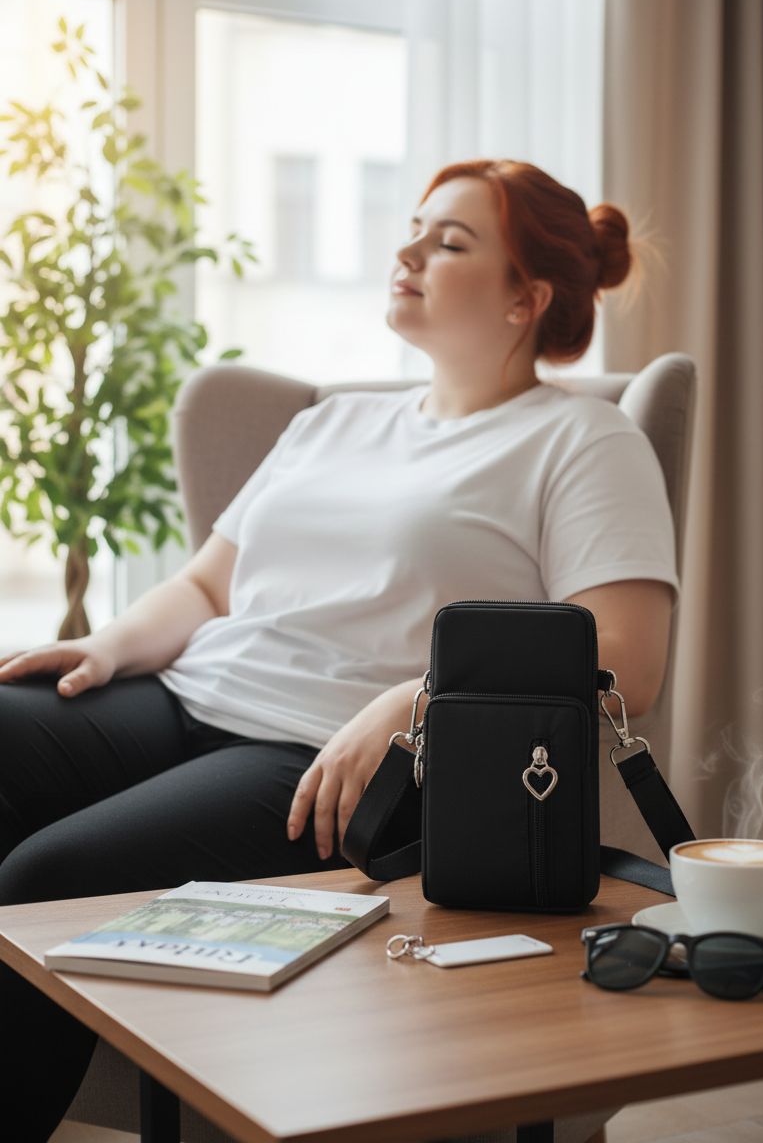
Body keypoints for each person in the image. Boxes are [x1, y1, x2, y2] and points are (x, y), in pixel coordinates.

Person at [0, 158, 679, 1140]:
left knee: (45, 882)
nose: (409, 251)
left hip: (328, 756)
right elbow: (207, 587)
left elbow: (629, 659)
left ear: (524, 299)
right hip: (187, 693)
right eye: (415, 228)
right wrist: (105, 647)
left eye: (450, 241)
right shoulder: (333, 421)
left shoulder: (581, 440)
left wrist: (417, 698)